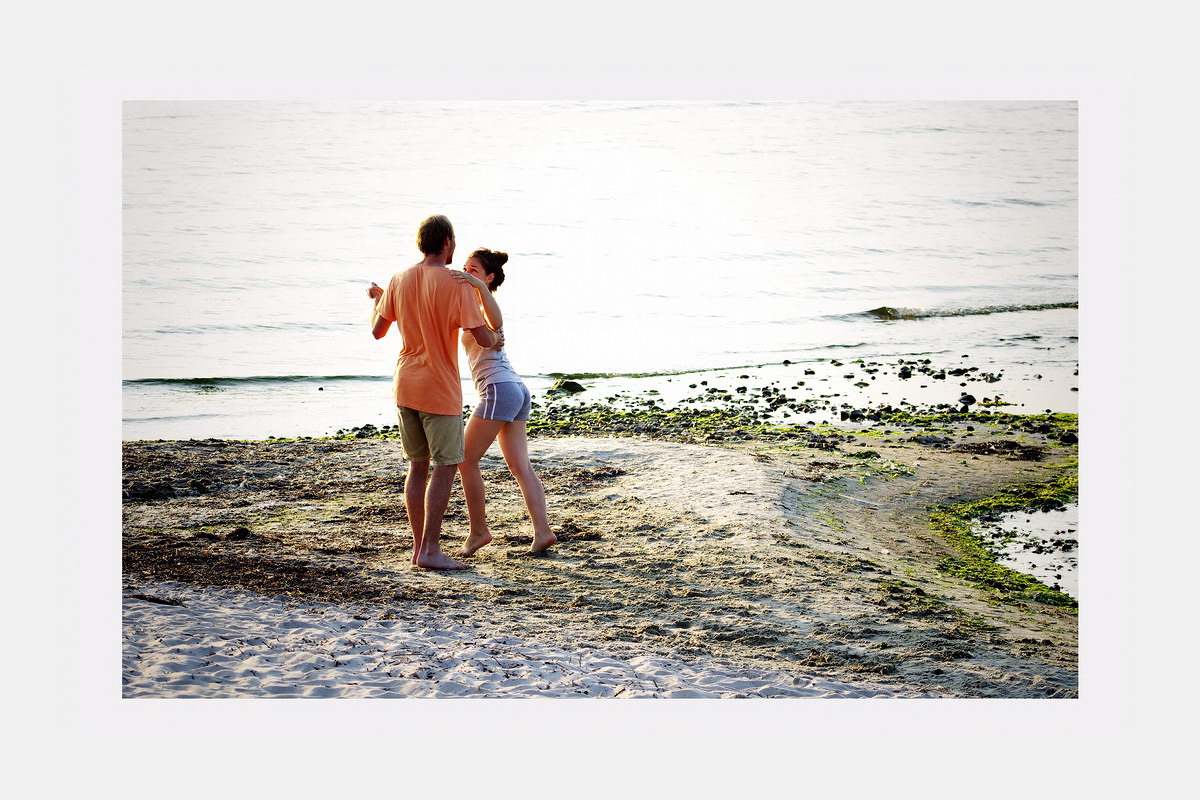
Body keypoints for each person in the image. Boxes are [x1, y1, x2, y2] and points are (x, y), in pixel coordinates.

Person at [367, 215, 499, 570]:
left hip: (405, 383)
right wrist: (496, 337)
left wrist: (378, 301)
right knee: (444, 467)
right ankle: (429, 550)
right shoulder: (457, 283)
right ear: (448, 243)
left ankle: (418, 549)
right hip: (439, 387)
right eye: (454, 241)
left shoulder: (399, 278)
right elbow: (483, 335)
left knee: (417, 467)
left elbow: (378, 331)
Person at [451, 248, 557, 556]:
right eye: (465, 267)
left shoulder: (483, 303)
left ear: (489, 278)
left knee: (465, 459)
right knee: (520, 465)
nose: (464, 272)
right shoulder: (469, 304)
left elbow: (495, 323)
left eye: (473, 270)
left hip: (500, 389)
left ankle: (478, 532)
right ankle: (543, 532)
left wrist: (479, 288)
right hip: (514, 389)